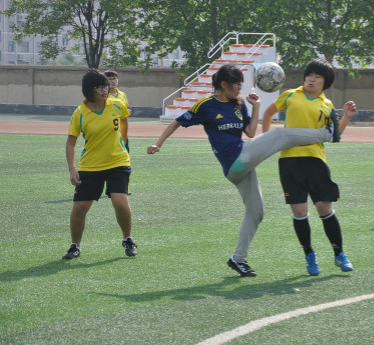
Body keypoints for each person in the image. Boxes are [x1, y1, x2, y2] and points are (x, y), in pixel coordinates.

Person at [147, 64, 338, 277]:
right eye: (237, 84)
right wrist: (158, 143)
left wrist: (256, 107)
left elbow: (250, 132)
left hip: (242, 164)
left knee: (256, 212)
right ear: (224, 84)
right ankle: (327, 134)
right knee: (278, 135)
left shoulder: (239, 104)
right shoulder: (207, 105)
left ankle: (238, 259)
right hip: (235, 163)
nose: (240, 88)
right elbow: (177, 122)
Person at [262, 58, 357, 276]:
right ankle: (309, 255)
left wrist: (346, 117)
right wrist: (267, 140)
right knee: (300, 212)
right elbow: (268, 113)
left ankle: (339, 253)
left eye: (317, 76)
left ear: (325, 82)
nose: (311, 79)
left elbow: (334, 135)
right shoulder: (290, 95)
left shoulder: (327, 105)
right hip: (290, 161)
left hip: (316, 161)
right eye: (309, 75)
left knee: (325, 209)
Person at [63, 69, 137, 259]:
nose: (105, 89)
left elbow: (124, 122)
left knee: (120, 202)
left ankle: (128, 239)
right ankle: (75, 246)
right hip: (90, 165)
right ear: (89, 90)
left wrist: (123, 144)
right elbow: (71, 143)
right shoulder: (80, 113)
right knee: (80, 207)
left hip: (118, 162)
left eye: (105, 85)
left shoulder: (117, 104)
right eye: (99, 87)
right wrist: (72, 169)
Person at [104, 70, 130, 152]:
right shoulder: (104, 95)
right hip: (109, 129)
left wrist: (127, 111)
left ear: (118, 79)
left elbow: (124, 109)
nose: (112, 81)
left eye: (114, 78)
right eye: (109, 79)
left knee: (125, 151)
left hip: (121, 128)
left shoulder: (122, 94)